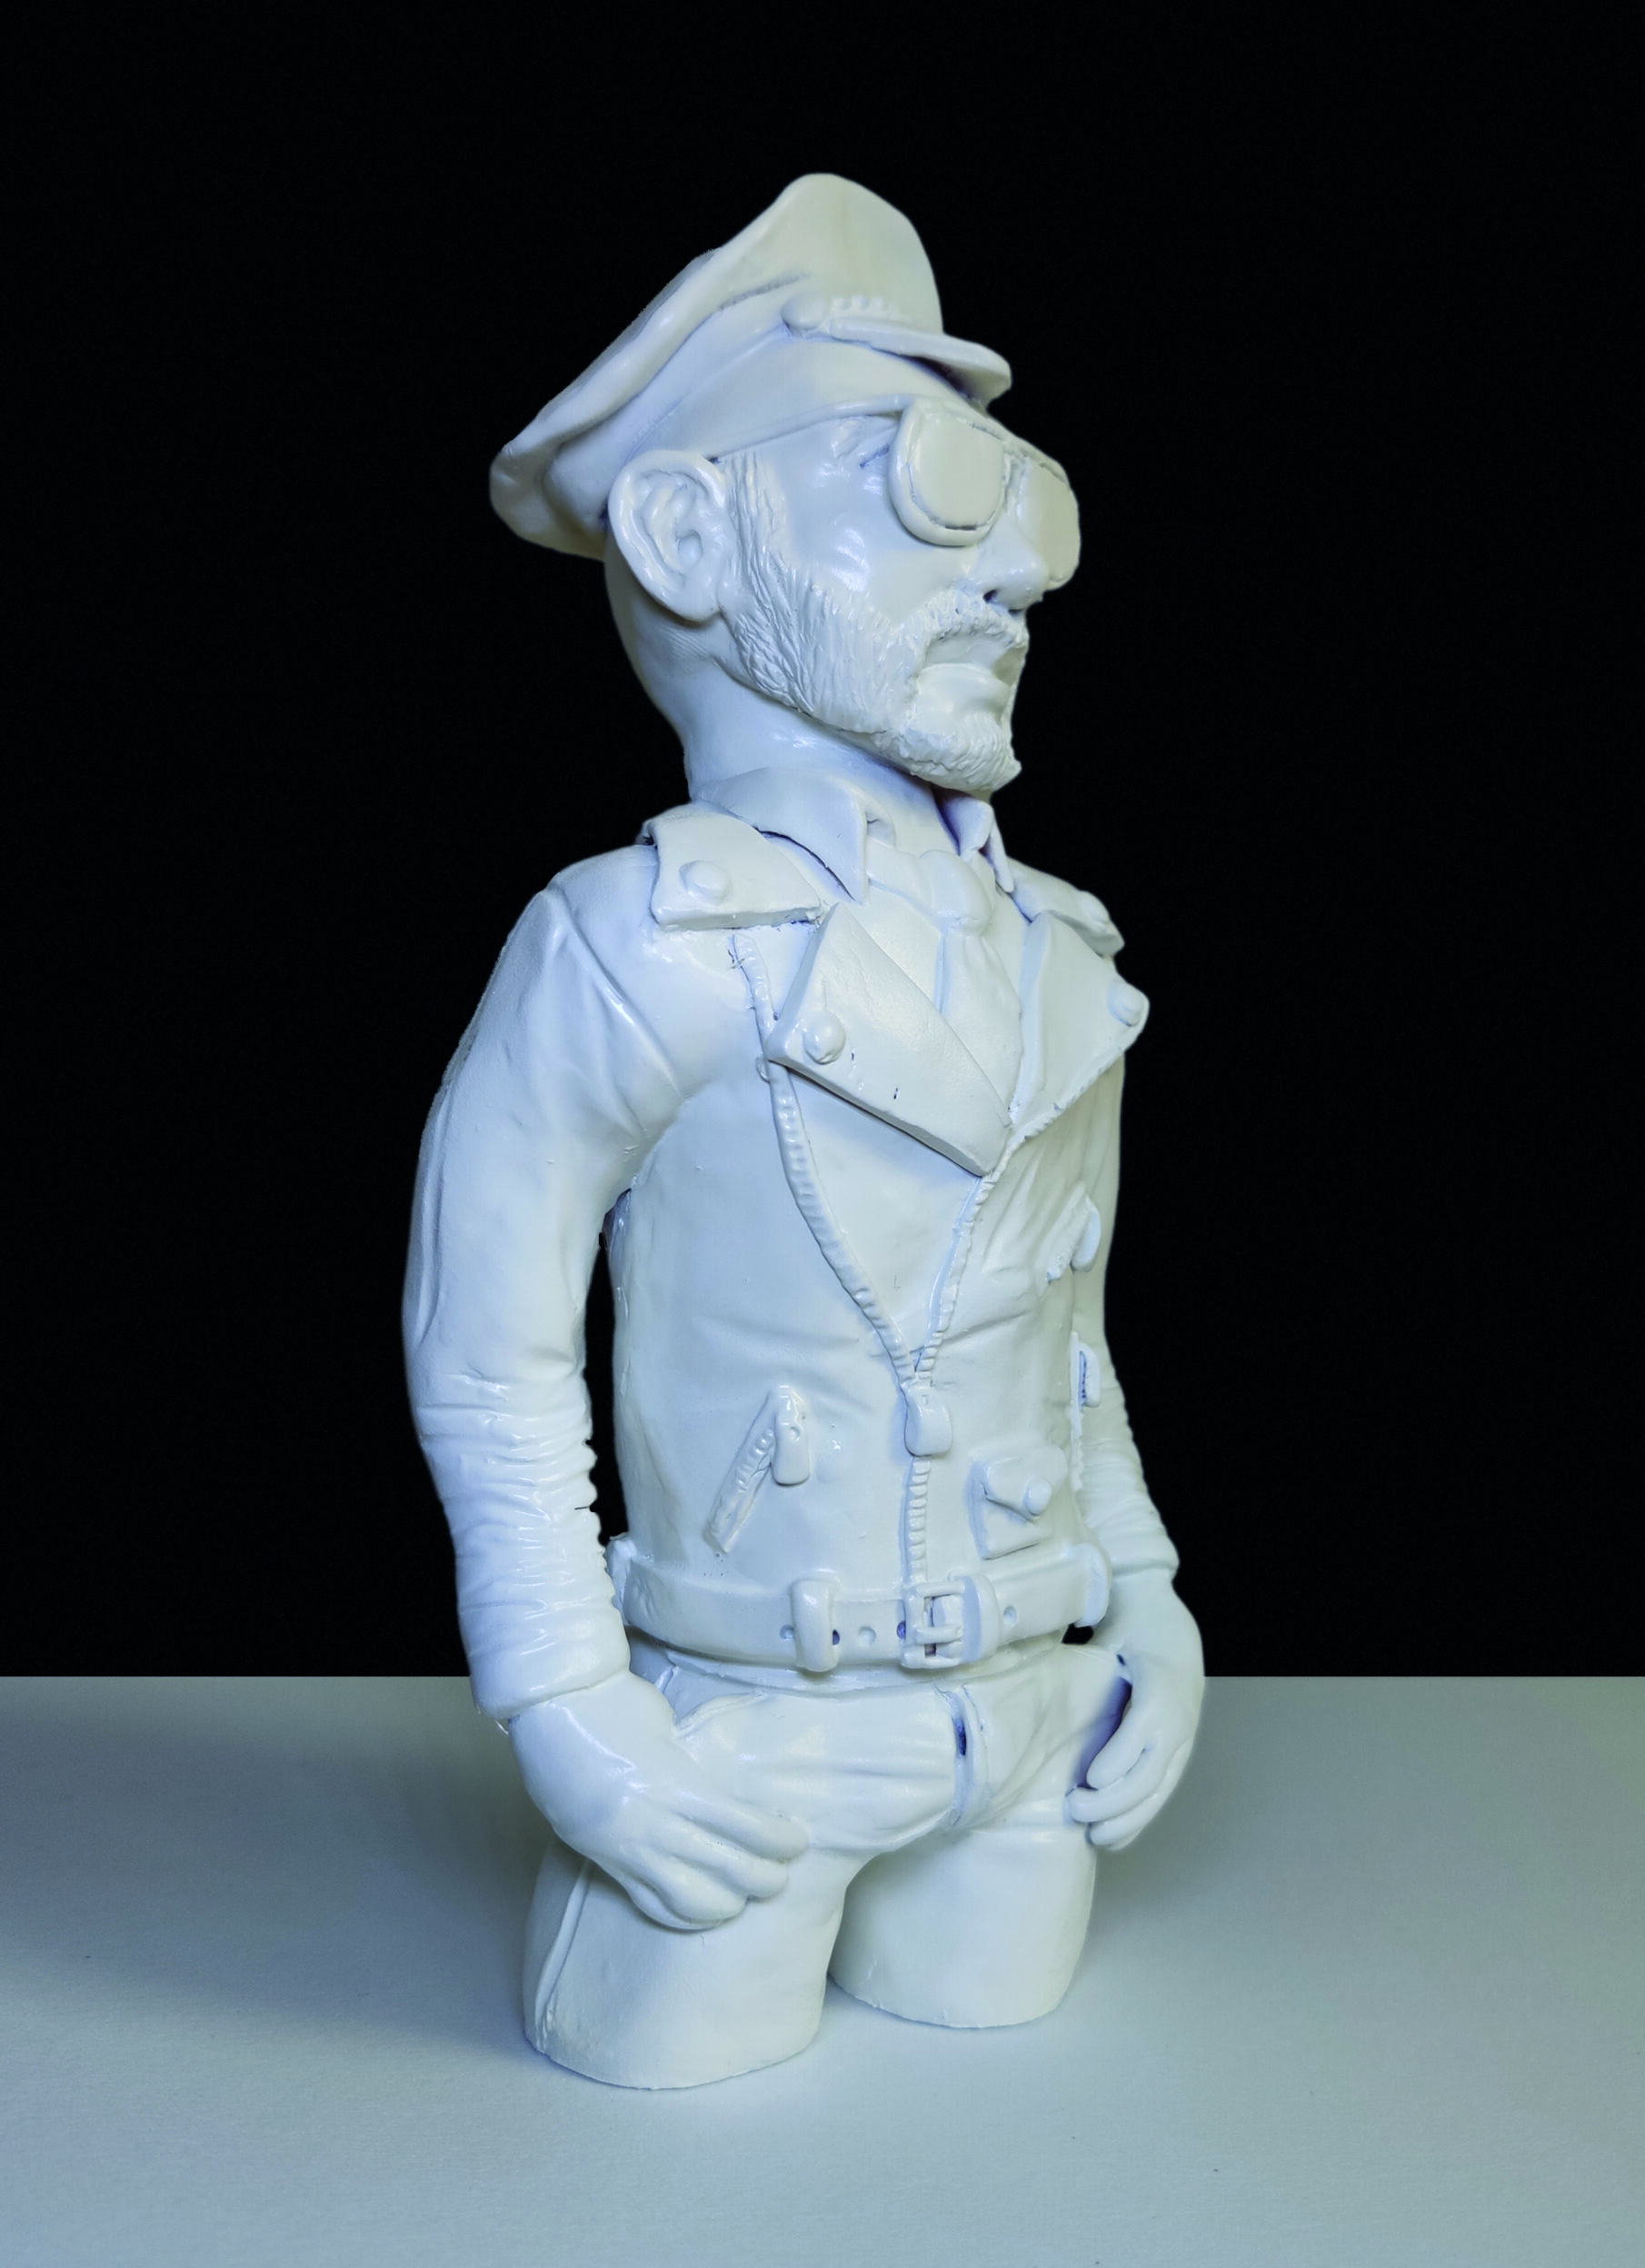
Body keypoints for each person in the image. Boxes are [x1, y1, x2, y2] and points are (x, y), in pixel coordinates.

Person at [404, 174, 1203, 2089]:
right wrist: (568, 1701)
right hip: (743, 1734)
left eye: (1026, 505)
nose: (1012, 574)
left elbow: (1067, 1330)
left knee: (999, 2055)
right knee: (674, 2077)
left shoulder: (1060, 949)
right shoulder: (636, 942)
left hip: (1023, 1711)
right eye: (925, 491)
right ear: (686, 534)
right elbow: (487, 1350)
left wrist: (1149, 1596)